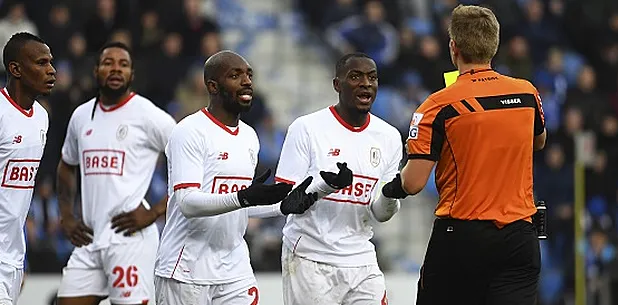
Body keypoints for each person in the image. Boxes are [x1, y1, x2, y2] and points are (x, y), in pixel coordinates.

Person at [381, 5, 547, 305]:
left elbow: (414, 183)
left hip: (462, 237)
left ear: (453, 47)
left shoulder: (437, 105)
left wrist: (389, 188)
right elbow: (538, 142)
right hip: (520, 236)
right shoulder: (526, 93)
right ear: (494, 46)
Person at [154, 50, 317, 305]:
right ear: (213, 86)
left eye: (249, 74)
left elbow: (237, 208)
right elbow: (187, 203)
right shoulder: (189, 132)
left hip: (234, 267)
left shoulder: (250, 136)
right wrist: (243, 197)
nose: (246, 81)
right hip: (186, 268)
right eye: (235, 75)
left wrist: (281, 207)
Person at [275, 52, 403, 305]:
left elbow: (380, 213)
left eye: (372, 77)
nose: (366, 83)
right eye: (355, 77)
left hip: (361, 257)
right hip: (310, 257)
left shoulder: (388, 136)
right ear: (337, 84)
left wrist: (390, 195)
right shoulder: (307, 128)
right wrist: (326, 186)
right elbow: (286, 199)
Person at [56, 42, 176, 305]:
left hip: (128, 240)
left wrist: (155, 212)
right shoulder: (81, 116)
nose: (115, 69)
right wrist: (66, 216)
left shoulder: (148, 115)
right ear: (96, 70)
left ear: (132, 75)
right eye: (108, 63)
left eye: (123, 64)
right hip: (89, 239)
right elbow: (66, 164)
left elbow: (192, 161)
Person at [0, 32, 55, 305]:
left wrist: (19, 257)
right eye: (41, 63)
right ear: (16, 69)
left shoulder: (41, 118)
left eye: (50, 62)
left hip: (13, 258)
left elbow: (20, 188)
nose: (51, 70)